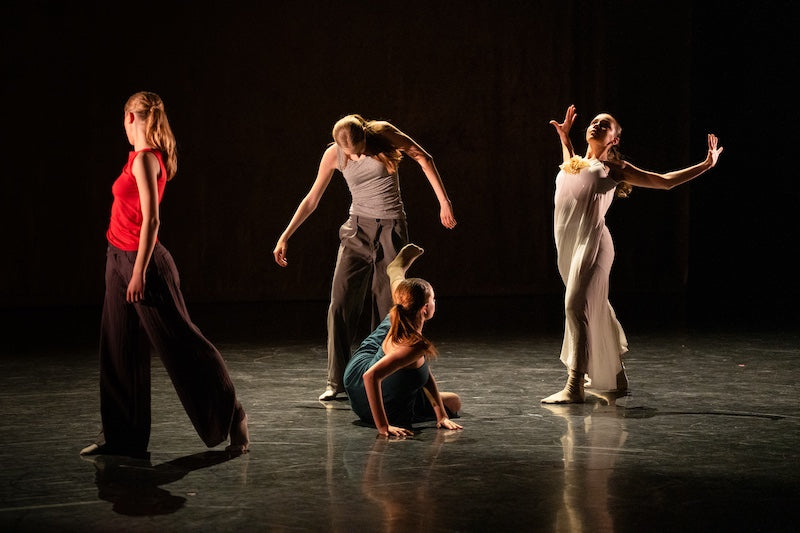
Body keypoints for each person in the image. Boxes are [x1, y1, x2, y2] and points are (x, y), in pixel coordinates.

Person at [81, 91, 249, 457]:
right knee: (118, 349)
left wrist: (139, 272)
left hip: (143, 264)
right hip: (117, 257)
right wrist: (122, 266)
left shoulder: (146, 160)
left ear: (130, 118)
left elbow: (152, 220)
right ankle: (122, 438)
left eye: (124, 120)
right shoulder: (139, 157)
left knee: (182, 343)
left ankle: (232, 413)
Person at [542, 104, 723, 404]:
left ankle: (575, 385)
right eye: (595, 121)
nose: (597, 125)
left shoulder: (613, 169)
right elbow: (575, 173)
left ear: (614, 139)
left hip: (594, 243)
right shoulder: (573, 162)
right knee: (593, 306)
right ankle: (616, 377)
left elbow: (664, 181)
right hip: (570, 243)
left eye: (605, 125)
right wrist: (565, 139)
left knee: (574, 306)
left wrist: (706, 165)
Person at [273, 114, 457, 401]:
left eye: (359, 150)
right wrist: (285, 235)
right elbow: (312, 199)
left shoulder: (383, 135)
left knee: (389, 309)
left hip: (391, 229)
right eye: (349, 153)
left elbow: (423, 157)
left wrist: (444, 202)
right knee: (340, 304)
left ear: (364, 137)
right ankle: (336, 382)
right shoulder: (333, 154)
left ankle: (385, 376)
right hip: (357, 230)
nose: (356, 156)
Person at [343, 243, 463, 437]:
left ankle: (396, 271)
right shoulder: (413, 346)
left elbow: (422, 371)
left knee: (401, 304)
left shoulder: (401, 319)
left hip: (355, 386)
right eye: (433, 299)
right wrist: (383, 427)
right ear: (425, 308)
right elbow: (370, 377)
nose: (435, 302)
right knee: (454, 401)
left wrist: (441, 415)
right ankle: (395, 271)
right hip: (367, 386)